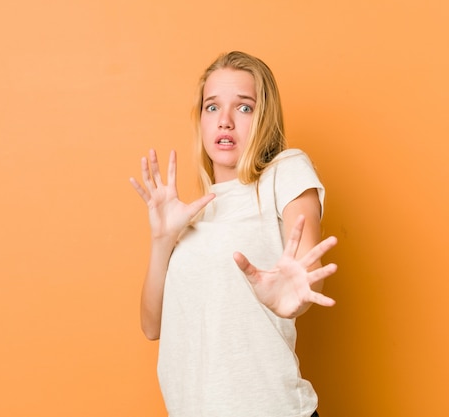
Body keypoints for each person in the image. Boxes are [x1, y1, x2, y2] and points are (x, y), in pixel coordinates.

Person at [130, 51, 338, 417]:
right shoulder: (191, 215)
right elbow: (151, 326)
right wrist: (163, 240)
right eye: (212, 108)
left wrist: (296, 292)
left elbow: (307, 269)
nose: (224, 121)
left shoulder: (284, 172)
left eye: (243, 108)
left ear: (264, 118)